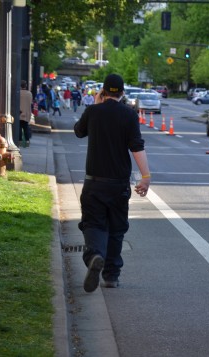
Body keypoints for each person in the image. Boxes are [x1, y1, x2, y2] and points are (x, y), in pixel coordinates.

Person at [74, 73, 151, 293]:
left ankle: (94, 256)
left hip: (94, 183)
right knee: (117, 230)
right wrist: (145, 177)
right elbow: (136, 146)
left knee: (93, 224)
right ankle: (111, 275)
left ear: (104, 91)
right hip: (118, 185)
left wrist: (95, 105)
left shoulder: (93, 112)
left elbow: (79, 132)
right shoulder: (129, 115)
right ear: (123, 93)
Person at [19, 80, 33, 147]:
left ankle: (20, 141)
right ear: (26, 86)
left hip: (19, 112)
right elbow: (30, 103)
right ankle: (27, 141)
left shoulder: (18, 93)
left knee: (19, 127)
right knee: (25, 127)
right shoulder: (29, 93)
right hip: (27, 112)